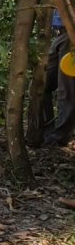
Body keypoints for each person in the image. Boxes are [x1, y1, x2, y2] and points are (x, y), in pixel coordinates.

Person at [43, 10, 75, 147]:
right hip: (60, 35)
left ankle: (61, 135)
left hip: (71, 35)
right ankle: (47, 132)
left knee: (66, 89)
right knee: (41, 86)